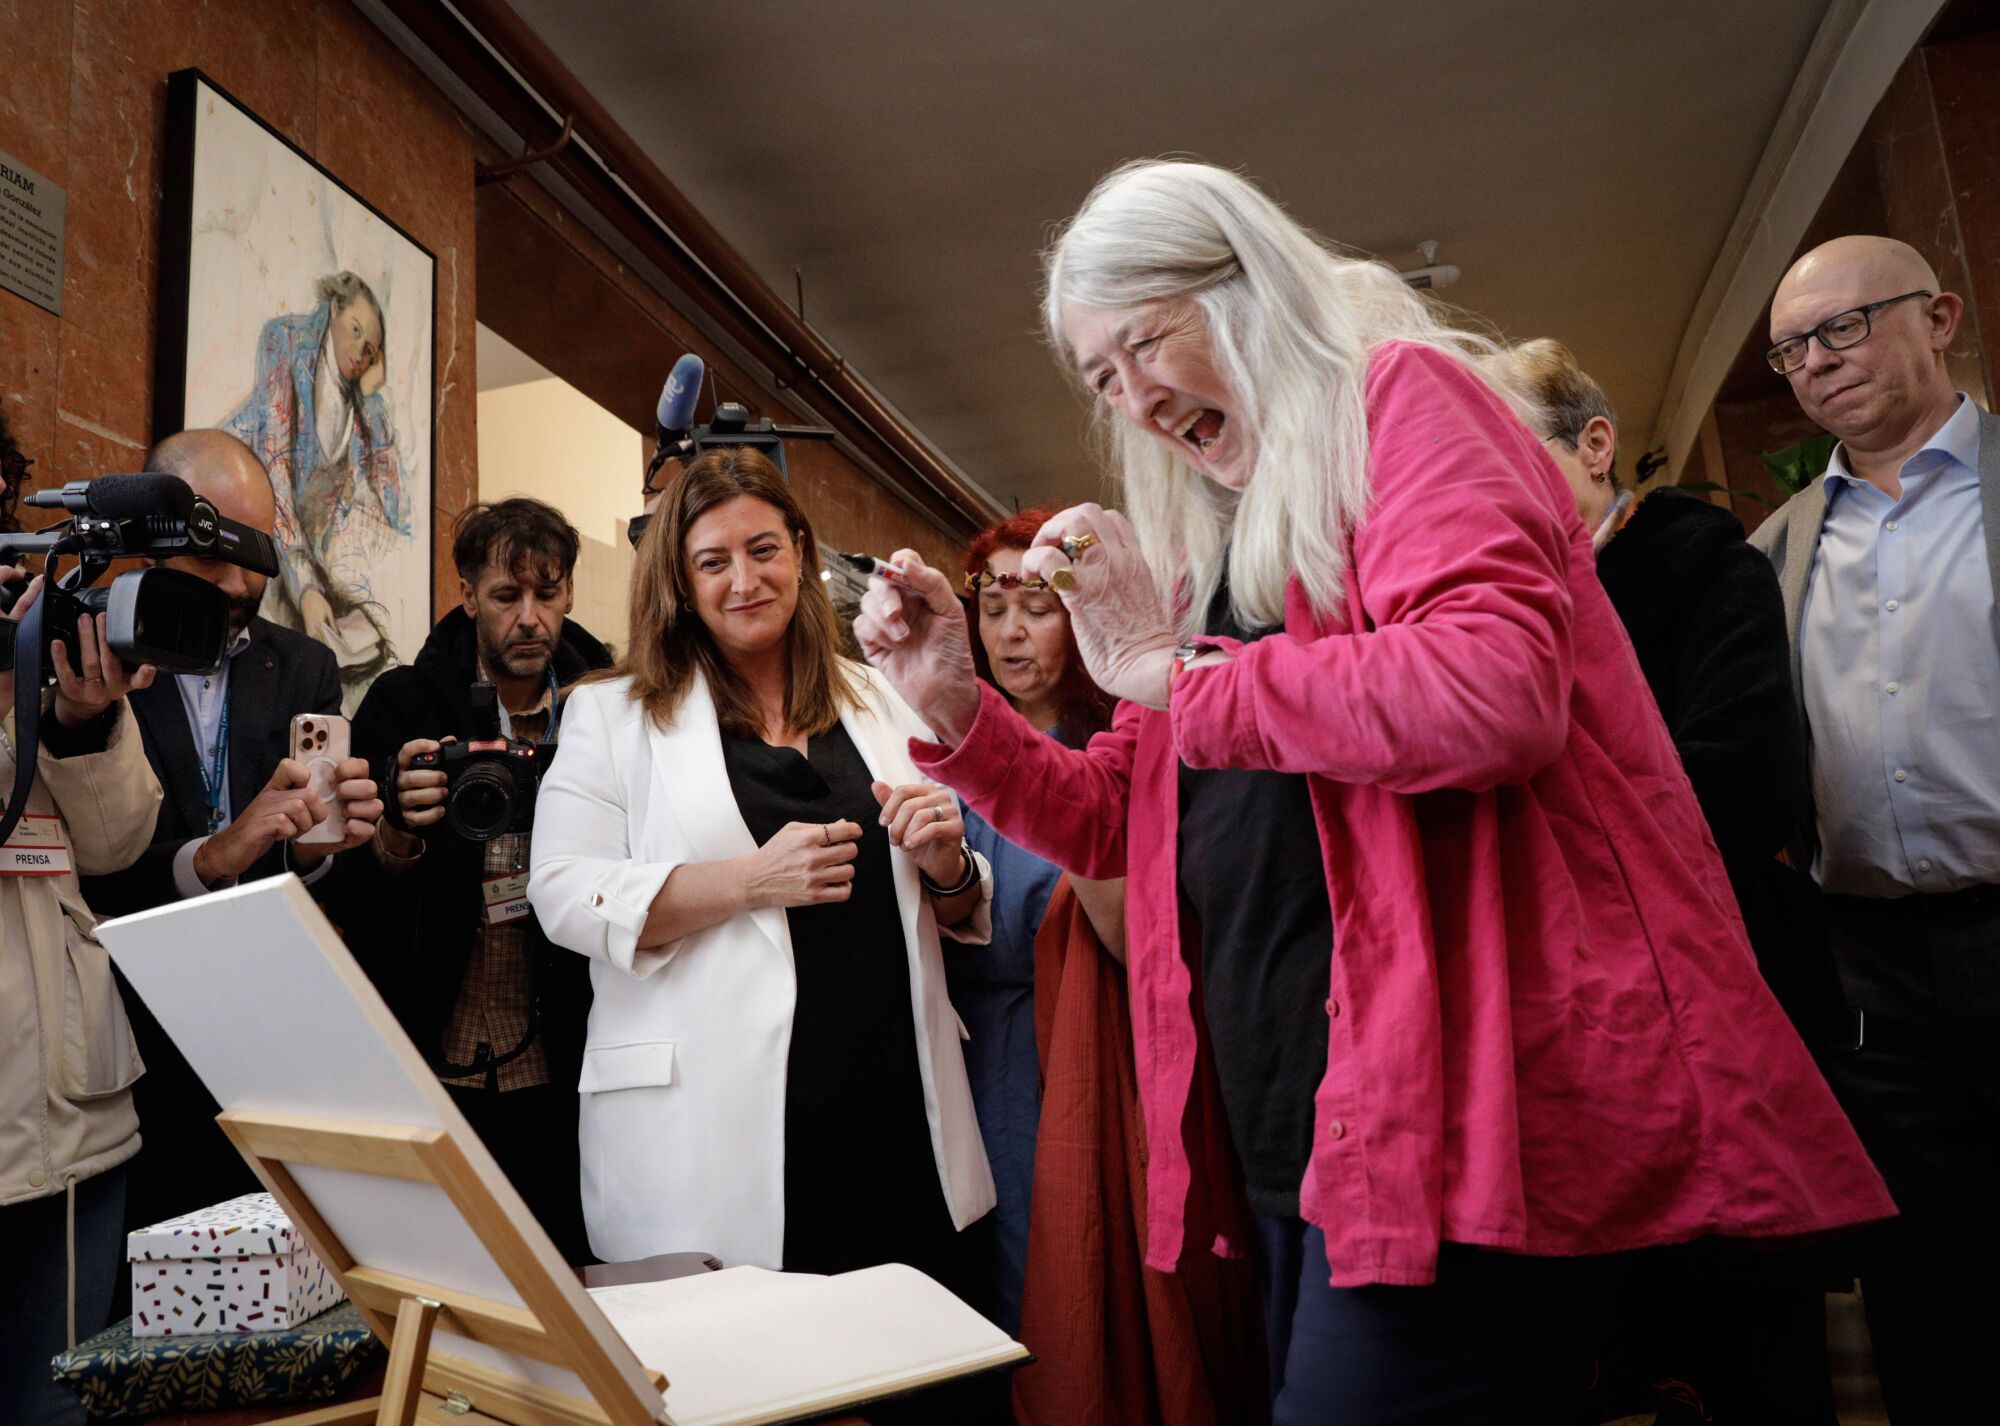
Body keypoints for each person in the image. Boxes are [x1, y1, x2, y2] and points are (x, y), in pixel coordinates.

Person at [855, 160, 1894, 1426]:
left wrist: (1176, 673)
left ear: (1243, 287)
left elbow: (1496, 690)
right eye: (1097, 377)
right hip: (1298, 1129)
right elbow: (1109, 812)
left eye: (1141, 341)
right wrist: (952, 705)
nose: (1129, 396)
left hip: (1450, 1113)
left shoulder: (1402, 402)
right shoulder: (1219, 533)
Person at [527, 448, 997, 1293]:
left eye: (763, 549)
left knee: (919, 1377)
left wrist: (948, 861)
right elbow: (561, 893)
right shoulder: (613, 714)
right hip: (711, 1132)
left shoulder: (875, 697)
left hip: (892, 1112)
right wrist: (745, 882)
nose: (744, 579)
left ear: (800, 552)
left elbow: (959, 897)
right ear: (679, 581)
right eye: (713, 561)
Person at [1494, 340, 1846, 1423]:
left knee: (1741, 1351)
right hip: (1570, 1035)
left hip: (1710, 996)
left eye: (1507, 452)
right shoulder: (1500, 605)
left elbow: (1740, 783)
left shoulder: (1697, 560)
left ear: (1595, 445)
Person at [1750, 234, 2000, 1425]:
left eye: (1843, 327)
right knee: (1924, 1274)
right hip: (1869, 965)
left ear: (1937, 314)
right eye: (1793, 347)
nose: (1816, 363)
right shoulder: (1776, 550)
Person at [82, 428, 384, 1238]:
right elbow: (85, 873)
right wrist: (211, 858)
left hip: (272, 1038)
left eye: (258, 553)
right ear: (151, 545)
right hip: (133, 1042)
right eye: (216, 554)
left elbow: (306, 872)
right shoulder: (91, 664)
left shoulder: (302, 667)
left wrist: (328, 847)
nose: (242, 582)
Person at [345, 498, 610, 1266]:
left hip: (568, 1056)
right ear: (467, 596)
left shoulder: (606, 709)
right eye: (505, 597)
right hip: (434, 1053)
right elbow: (354, 900)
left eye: (548, 594)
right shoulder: (405, 705)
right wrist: (399, 826)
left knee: (566, 1269)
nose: (530, 619)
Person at [0, 412, 167, 1426]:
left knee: (51, 1410)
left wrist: (78, 716)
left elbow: (116, 840)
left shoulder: (33, 620)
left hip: (63, 1109)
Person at [955, 510, 1121, 1335]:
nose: (1011, 634)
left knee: (1054, 1267)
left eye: (1038, 608)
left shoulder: (1112, 748)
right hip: (961, 1047)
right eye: (993, 611)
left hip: (1069, 1038)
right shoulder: (948, 747)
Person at [226, 270, 412, 708]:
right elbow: (275, 468)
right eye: (355, 332)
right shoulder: (285, 340)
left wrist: (372, 399)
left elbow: (395, 505)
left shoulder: (361, 402)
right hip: (237, 523)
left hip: (294, 557)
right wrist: (306, 587)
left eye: (370, 349)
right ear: (334, 308)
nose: (360, 355)